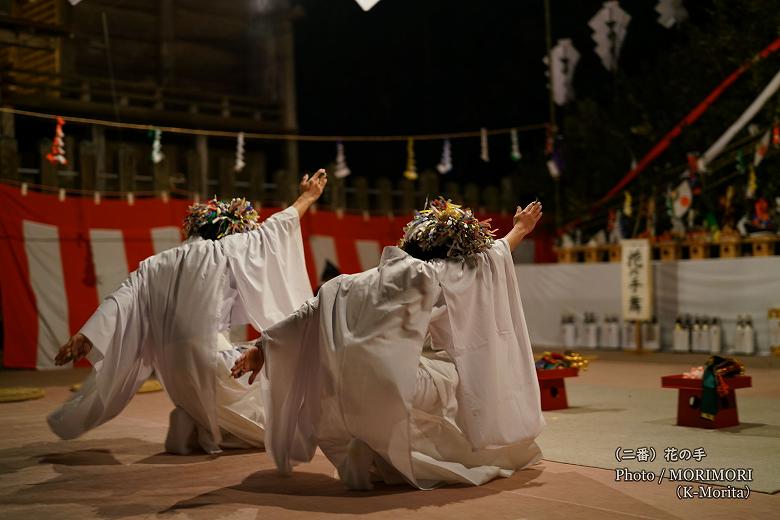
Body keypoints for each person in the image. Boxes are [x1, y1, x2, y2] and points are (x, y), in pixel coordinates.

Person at [232, 197, 545, 489]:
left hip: (338, 392)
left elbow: (304, 316)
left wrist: (261, 348)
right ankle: (415, 453)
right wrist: (520, 228)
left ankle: (375, 446)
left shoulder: (350, 282)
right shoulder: (435, 274)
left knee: (404, 378)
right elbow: (490, 259)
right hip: (390, 385)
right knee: (454, 381)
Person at [47, 170, 327, 454]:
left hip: (173, 376)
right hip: (211, 363)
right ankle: (208, 428)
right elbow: (275, 229)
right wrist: (308, 196)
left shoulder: (155, 264)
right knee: (293, 412)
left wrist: (86, 335)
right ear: (230, 230)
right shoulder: (226, 250)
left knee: (241, 372)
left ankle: (194, 423)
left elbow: (120, 299)